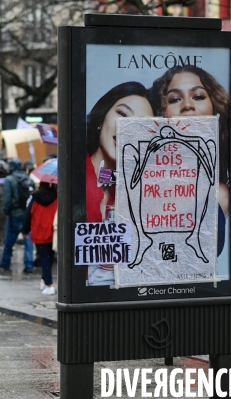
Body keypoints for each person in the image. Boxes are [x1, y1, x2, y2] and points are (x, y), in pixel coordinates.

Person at [152, 65, 230, 258]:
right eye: (175, 99)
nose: (187, 105)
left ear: (215, 108)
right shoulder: (140, 186)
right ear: (161, 113)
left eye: (198, 96)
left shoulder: (223, 192)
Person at [85, 82, 154, 285]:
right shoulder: (74, 175)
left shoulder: (140, 191)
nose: (128, 127)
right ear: (102, 117)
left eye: (142, 125)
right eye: (123, 115)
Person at [0, 158, 35, 274]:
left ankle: (5, 262)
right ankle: (29, 265)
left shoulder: (9, 179)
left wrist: (6, 210)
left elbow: (7, 199)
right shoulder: (28, 179)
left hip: (14, 214)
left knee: (9, 240)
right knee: (28, 241)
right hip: (27, 215)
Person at [24, 182, 58, 295]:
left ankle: (50, 285)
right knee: (49, 257)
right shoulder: (57, 196)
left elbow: (28, 214)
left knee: (44, 258)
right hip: (52, 231)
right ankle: (44, 280)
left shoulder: (35, 197)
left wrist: (25, 230)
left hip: (39, 231)